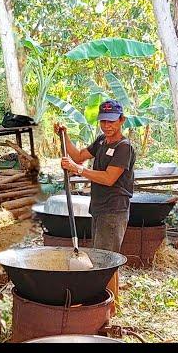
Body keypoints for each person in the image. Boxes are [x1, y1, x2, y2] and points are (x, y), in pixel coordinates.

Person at [55, 99, 136, 253]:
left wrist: (78, 169)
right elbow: (79, 156)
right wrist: (64, 136)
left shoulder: (124, 147)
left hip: (113, 210)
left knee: (105, 259)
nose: (107, 125)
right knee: (104, 257)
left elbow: (108, 178)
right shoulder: (101, 141)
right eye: (103, 121)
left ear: (121, 120)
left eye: (111, 121)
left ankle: (109, 278)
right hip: (99, 207)